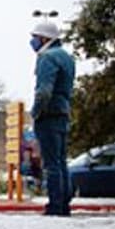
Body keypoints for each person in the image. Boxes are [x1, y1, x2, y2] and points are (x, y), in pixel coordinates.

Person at [30, 17, 77, 216]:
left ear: (43, 38)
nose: (32, 41)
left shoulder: (47, 58)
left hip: (49, 114)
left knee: (51, 164)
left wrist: (36, 112)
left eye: (35, 37)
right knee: (61, 161)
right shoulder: (67, 57)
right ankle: (64, 203)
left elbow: (44, 91)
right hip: (63, 111)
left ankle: (55, 205)